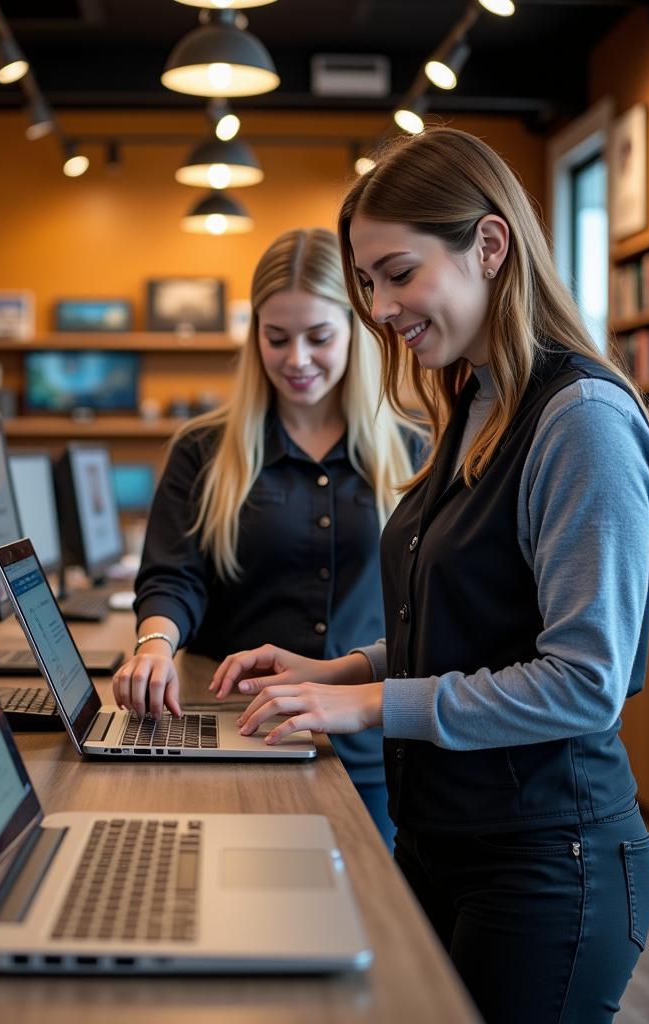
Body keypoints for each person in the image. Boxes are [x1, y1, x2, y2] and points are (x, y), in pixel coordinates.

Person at [211, 128, 649, 1024]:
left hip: (547, 863)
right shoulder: (474, 400)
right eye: (368, 283)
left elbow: (584, 682)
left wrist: (371, 707)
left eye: (398, 272)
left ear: (489, 247)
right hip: (446, 844)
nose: (379, 307)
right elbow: (466, 627)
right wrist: (337, 673)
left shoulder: (580, 423)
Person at [112, 227, 417, 847]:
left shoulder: (415, 449)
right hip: (235, 730)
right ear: (254, 336)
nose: (297, 359)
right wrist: (154, 645)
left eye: (319, 337)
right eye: (277, 338)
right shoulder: (203, 449)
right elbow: (175, 576)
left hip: (367, 747)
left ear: (357, 330)